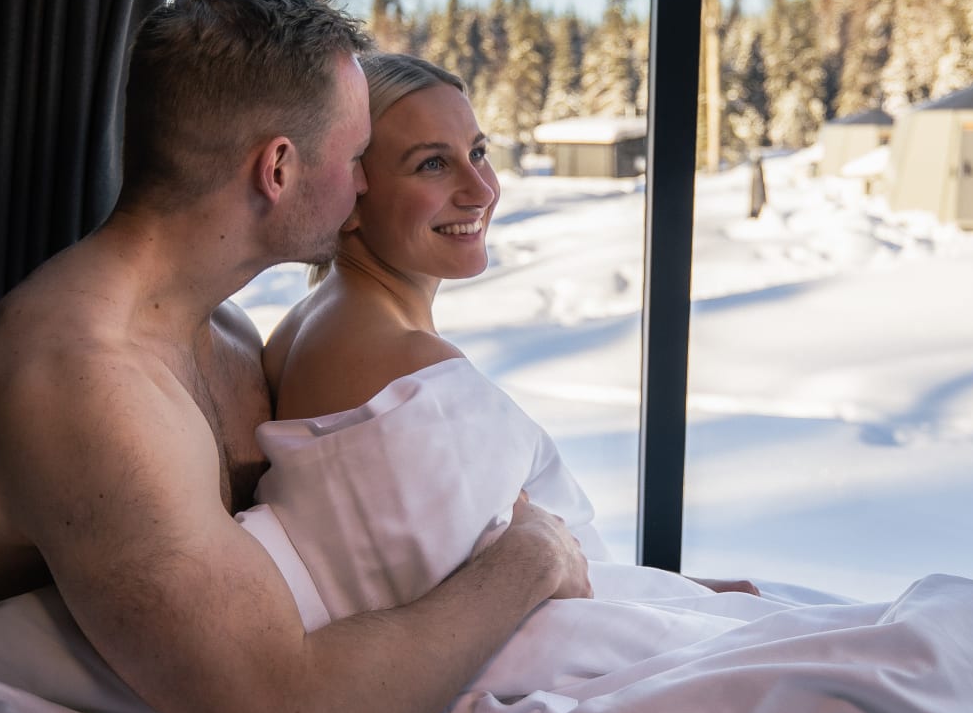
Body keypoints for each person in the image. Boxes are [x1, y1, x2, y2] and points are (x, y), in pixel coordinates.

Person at [0, 0, 591, 713]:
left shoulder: (226, 329)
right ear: (277, 168)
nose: (364, 186)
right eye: (357, 156)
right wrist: (532, 560)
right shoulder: (85, 384)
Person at [261, 52, 756, 609]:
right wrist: (684, 608)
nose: (481, 190)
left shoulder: (323, 324)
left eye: (477, 153)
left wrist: (679, 593)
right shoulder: (396, 361)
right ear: (350, 194)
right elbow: (515, 605)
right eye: (432, 164)